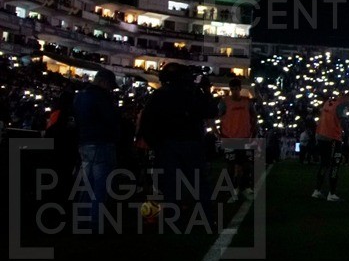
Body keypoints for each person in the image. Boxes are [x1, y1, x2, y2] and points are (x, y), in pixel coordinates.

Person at [138, 64, 219, 219]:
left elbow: (147, 121)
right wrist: (206, 92)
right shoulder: (192, 94)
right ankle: (207, 216)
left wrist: (154, 144)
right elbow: (211, 111)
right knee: (199, 183)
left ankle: (172, 217)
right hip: (190, 144)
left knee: (170, 184)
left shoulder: (159, 95)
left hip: (168, 145)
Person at [73, 69, 119, 230]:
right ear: (103, 82)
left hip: (85, 142)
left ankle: (81, 220)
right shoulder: (101, 97)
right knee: (100, 185)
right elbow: (111, 119)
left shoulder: (80, 95)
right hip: (101, 142)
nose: (111, 89)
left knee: (86, 184)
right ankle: (94, 221)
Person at [217, 77, 257, 203]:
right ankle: (233, 190)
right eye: (232, 89)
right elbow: (219, 116)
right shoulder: (224, 102)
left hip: (244, 138)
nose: (234, 91)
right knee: (231, 167)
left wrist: (253, 132)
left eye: (236, 89)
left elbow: (254, 117)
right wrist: (218, 132)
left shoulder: (247, 102)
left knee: (246, 165)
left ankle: (244, 187)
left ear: (240, 89)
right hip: (229, 137)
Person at [312, 91, 349, 202]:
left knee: (324, 163)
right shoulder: (341, 105)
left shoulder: (330, 101)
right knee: (335, 165)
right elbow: (344, 122)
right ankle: (332, 194)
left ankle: (317, 191)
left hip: (321, 134)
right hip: (332, 137)